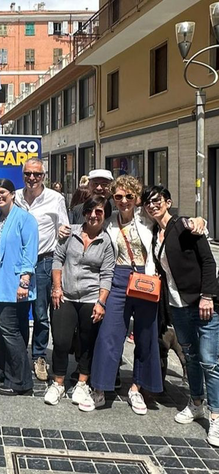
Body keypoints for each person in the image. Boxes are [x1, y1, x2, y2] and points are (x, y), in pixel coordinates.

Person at [142, 186, 219, 446]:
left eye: (156, 201)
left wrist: (208, 295)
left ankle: (216, 415)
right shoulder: (155, 234)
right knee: (191, 356)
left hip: (202, 303)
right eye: (148, 202)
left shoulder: (185, 226)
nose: (152, 205)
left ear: (168, 202)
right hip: (177, 306)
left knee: (209, 360)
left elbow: (209, 261)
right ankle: (196, 401)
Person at [89, 175, 166, 414]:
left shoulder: (147, 219)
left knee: (146, 336)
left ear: (137, 198)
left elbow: (172, 222)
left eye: (129, 196)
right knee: (109, 334)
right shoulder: (109, 222)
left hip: (146, 279)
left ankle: (137, 388)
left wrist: (198, 222)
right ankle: (100, 388)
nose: (124, 201)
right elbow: (86, 223)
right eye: (119, 196)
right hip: (119, 279)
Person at [45, 195, 114, 410]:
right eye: (90, 211)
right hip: (65, 295)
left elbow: (107, 273)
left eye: (99, 212)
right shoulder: (70, 233)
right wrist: (57, 287)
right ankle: (58, 382)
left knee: (87, 342)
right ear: (84, 213)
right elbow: (58, 259)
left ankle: (83, 383)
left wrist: (101, 302)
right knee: (61, 340)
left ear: (105, 215)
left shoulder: (106, 242)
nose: (93, 215)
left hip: (91, 297)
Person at [0, 178, 38, 396]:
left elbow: (29, 253)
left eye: (2, 192)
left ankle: (20, 381)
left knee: (10, 331)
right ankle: (2, 370)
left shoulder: (24, 219)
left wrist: (24, 282)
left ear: (12, 194)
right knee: (4, 332)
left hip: (13, 285)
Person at [14, 158, 69, 382]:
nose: (32, 178)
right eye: (28, 174)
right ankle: (18, 357)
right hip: (18, 263)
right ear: (23, 175)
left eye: (37, 174)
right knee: (18, 313)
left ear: (44, 176)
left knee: (40, 314)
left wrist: (63, 234)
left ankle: (39, 356)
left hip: (44, 262)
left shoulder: (56, 199)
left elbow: (63, 229)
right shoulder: (15, 197)